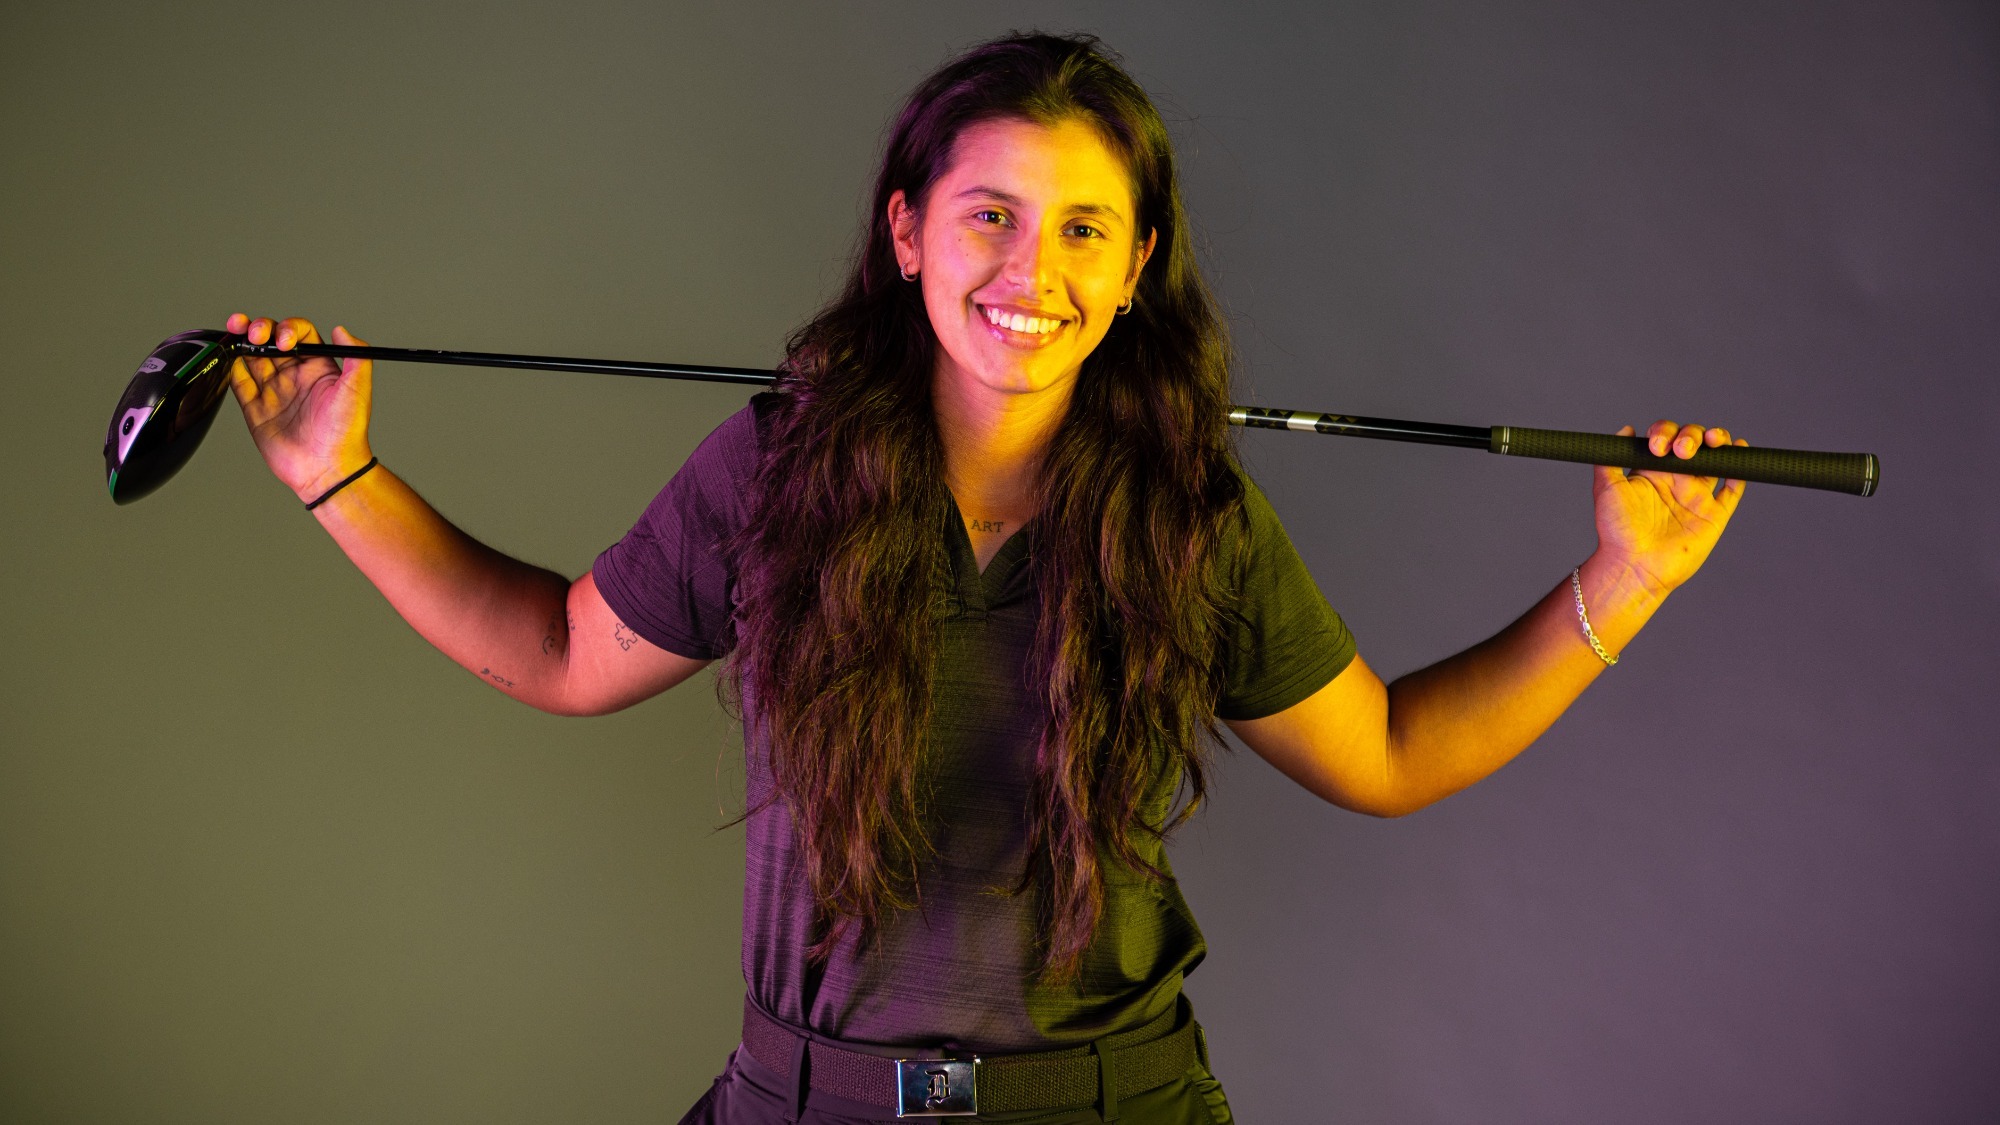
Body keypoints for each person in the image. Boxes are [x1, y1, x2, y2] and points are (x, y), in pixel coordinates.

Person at [223, 32, 1748, 1125]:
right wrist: (333, 476)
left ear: (1136, 264)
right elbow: (563, 652)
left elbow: (1391, 752)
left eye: (1085, 227)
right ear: (906, 231)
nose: (1034, 271)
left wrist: (1629, 577)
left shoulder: (1190, 514)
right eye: (991, 216)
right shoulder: (769, 471)